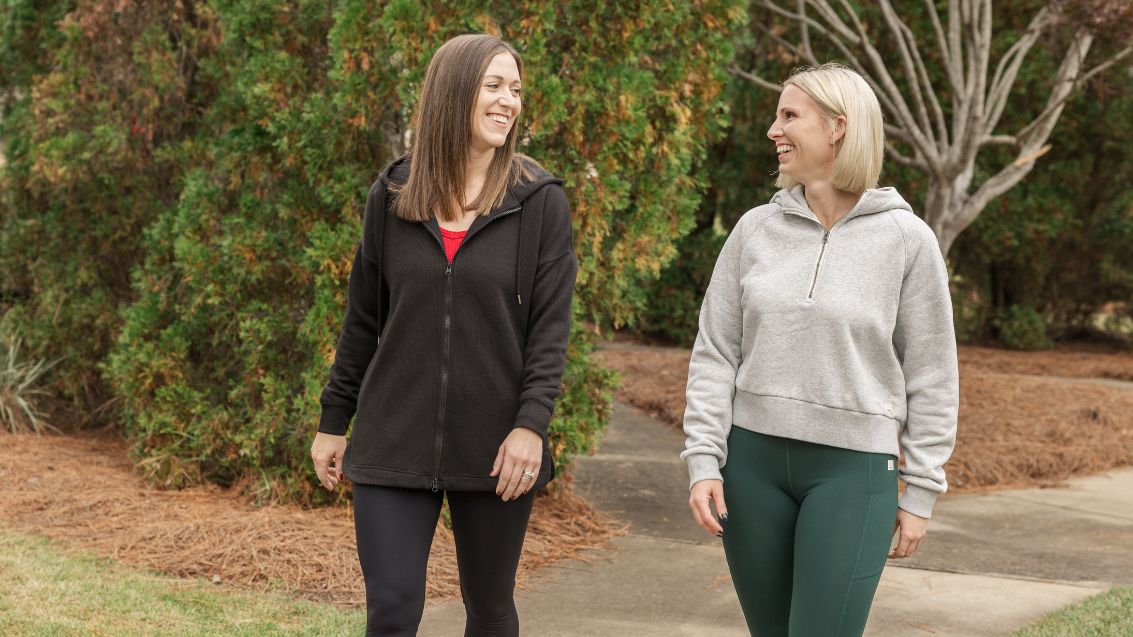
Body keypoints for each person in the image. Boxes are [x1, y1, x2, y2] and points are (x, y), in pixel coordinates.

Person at [310, 33, 577, 637]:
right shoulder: (395, 195)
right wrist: (334, 420)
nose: (509, 101)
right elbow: (363, 319)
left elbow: (549, 330)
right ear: (453, 92)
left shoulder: (538, 202)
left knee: (488, 607)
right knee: (393, 609)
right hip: (393, 434)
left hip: (495, 447)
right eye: (494, 85)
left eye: (515, 89)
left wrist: (530, 426)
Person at [681, 63, 959, 637]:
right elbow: (715, 352)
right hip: (751, 466)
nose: (772, 130)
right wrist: (703, 459)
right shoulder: (754, 231)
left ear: (838, 127)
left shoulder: (908, 241)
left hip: (854, 471)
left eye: (789, 116)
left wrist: (923, 488)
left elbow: (932, 373)